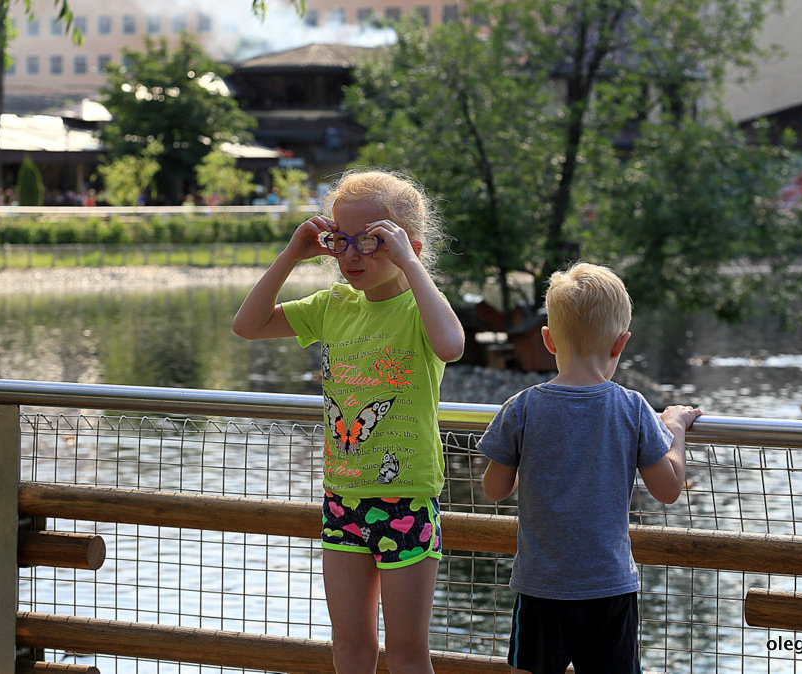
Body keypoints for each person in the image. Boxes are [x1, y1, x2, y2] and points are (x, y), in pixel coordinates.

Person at [232, 168, 465, 673]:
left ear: (407, 245)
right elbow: (247, 325)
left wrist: (409, 263)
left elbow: (451, 344)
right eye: (341, 240)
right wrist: (292, 253)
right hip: (342, 500)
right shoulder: (333, 306)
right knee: (350, 647)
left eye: (371, 241)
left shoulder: (418, 310)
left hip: (406, 498)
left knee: (406, 653)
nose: (350, 256)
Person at [477, 262, 702, 674]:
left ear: (547, 339)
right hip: (609, 588)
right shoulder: (632, 407)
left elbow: (494, 490)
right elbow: (668, 490)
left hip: (540, 588)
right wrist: (674, 427)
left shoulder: (522, 407)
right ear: (621, 343)